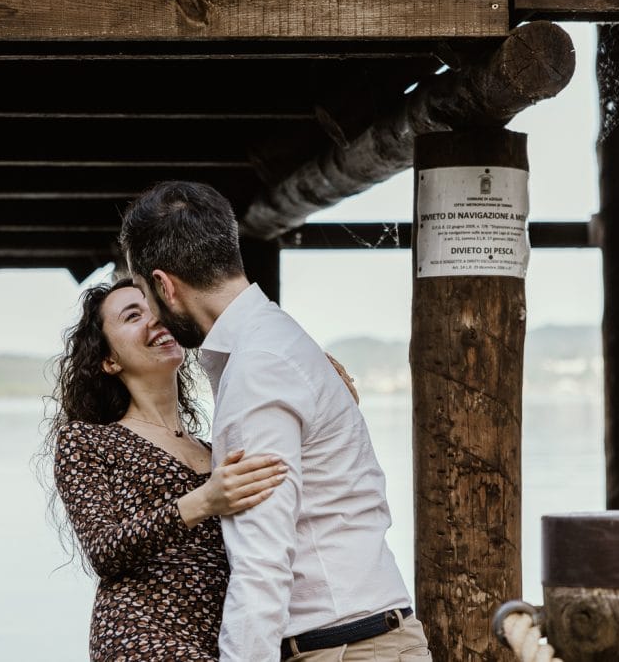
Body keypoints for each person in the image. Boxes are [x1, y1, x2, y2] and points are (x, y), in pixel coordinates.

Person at [119, 181, 430, 662]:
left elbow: (262, 562)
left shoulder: (258, 368)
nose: (155, 321)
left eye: (145, 294)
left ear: (165, 285)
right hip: (362, 636)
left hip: (345, 647)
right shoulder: (276, 345)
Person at [41, 278, 289, 661]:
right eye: (133, 315)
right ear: (110, 360)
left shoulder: (216, 448)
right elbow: (104, 551)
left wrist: (315, 379)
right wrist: (204, 500)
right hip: (141, 636)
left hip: (226, 641)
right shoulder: (87, 441)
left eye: (153, 308)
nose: (153, 319)